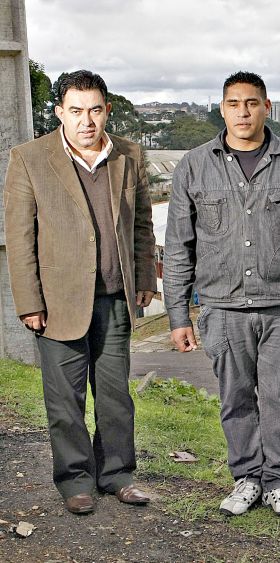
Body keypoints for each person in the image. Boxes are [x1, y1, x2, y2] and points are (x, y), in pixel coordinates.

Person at [163, 71, 280, 518]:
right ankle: (246, 479)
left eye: (252, 103)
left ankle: (279, 483)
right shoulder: (194, 166)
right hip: (221, 309)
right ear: (222, 109)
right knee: (235, 399)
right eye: (234, 103)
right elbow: (179, 246)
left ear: (267, 107)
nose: (243, 111)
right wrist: (177, 316)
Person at [3, 70, 157, 515]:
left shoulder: (129, 155)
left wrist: (144, 278)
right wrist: (29, 302)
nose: (86, 121)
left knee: (115, 397)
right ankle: (75, 481)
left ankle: (118, 475)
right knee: (65, 401)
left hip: (115, 298)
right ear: (59, 113)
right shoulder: (29, 158)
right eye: (75, 111)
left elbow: (142, 225)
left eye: (94, 110)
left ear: (106, 110)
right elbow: (20, 238)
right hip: (57, 304)